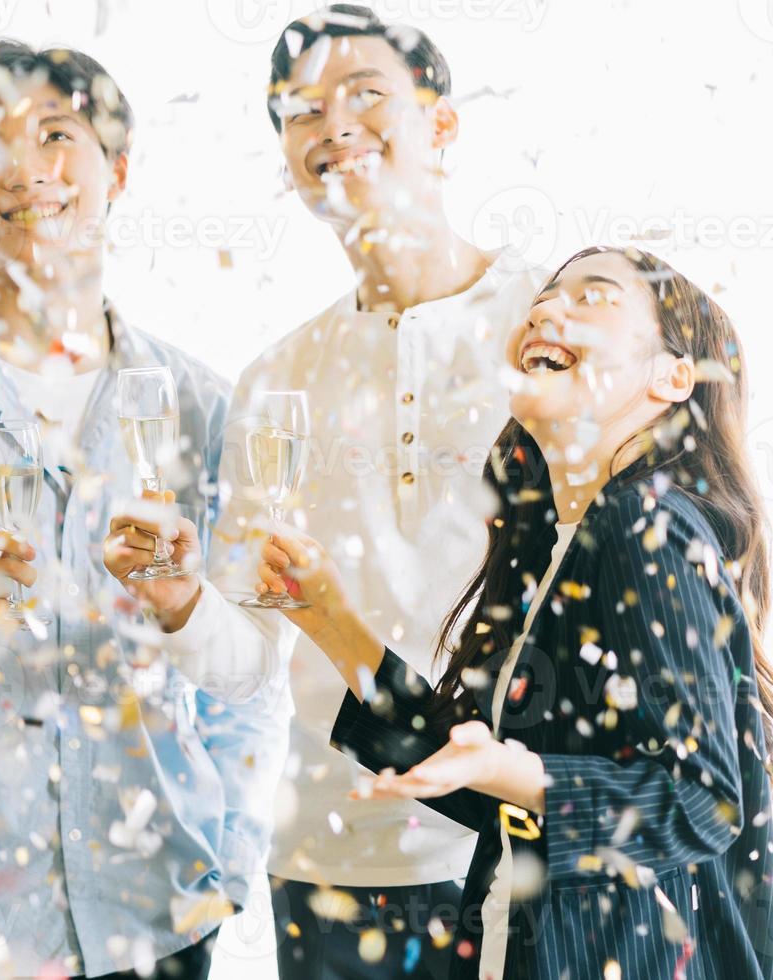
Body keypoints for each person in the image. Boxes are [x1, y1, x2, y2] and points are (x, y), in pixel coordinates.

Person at [0, 39, 287, 979]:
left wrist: (230, 862)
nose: (26, 168)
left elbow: (252, 673)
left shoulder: (201, 405)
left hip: (161, 906)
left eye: (57, 135)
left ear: (115, 169)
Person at [104, 7, 544, 976]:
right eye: (300, 110)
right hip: (327, 856)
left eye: (363, 92)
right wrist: (181, 601)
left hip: (522, 845)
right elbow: (247, 662)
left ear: (442, 124)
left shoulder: (546, 326)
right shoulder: (275, 379)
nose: (330, 122)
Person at [258, 247, 773, 978]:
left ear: (674, 376)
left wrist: (521, 773)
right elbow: (488, 788)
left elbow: (700, 802)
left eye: (593, 298)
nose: (545, 311)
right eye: (543, 298)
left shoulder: (645, 527)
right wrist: (325, 618)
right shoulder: (566, 542)